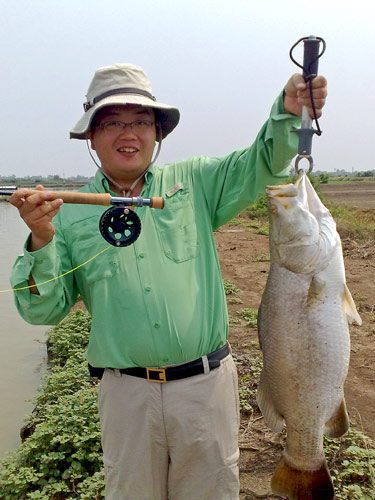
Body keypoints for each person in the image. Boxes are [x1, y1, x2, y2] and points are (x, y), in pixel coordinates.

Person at [9, 63, 327, 500]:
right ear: (91, 137)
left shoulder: (194, 182)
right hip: (125, 396)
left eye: (141, 122)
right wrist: (41, 238)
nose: (129, 134)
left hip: (205, 388)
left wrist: (289, 113)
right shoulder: (66, 213)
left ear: (157, 133)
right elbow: (41, 309)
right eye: (113, 123)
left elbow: (261, 163)